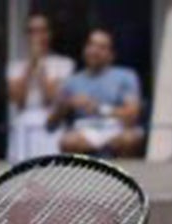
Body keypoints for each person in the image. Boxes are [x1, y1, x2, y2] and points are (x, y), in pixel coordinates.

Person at [52, 28, 144, 157]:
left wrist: (98, 108)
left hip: (116, 128)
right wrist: (66, 104)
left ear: (112, 54)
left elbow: (132, 114)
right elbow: (51, 124)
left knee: (129, 139)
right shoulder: (71, 81)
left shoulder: (126, 76)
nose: (94, 51)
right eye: (91, 45)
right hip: (83, 130)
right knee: (68, 141)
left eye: (101, 47)